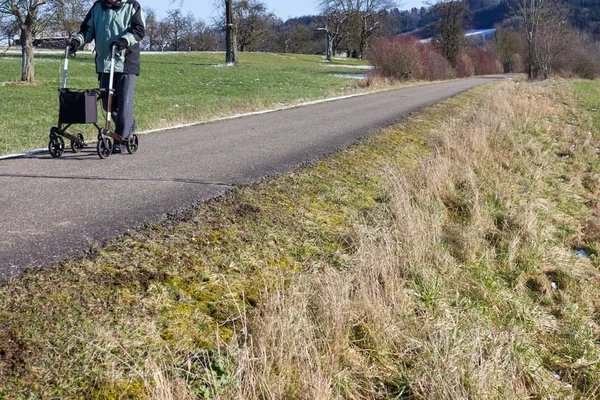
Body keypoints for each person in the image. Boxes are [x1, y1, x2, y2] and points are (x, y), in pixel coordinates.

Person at [70, 0, 145, 153]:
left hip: (126, 63)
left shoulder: (132, 6)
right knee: (108, 103)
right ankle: (127, 126)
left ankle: (122, 140)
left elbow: (138, 30)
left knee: (124, 104)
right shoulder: (98, 7)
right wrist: (77, 41)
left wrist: (124, 40)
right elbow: (87, 29)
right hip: (105, 63)